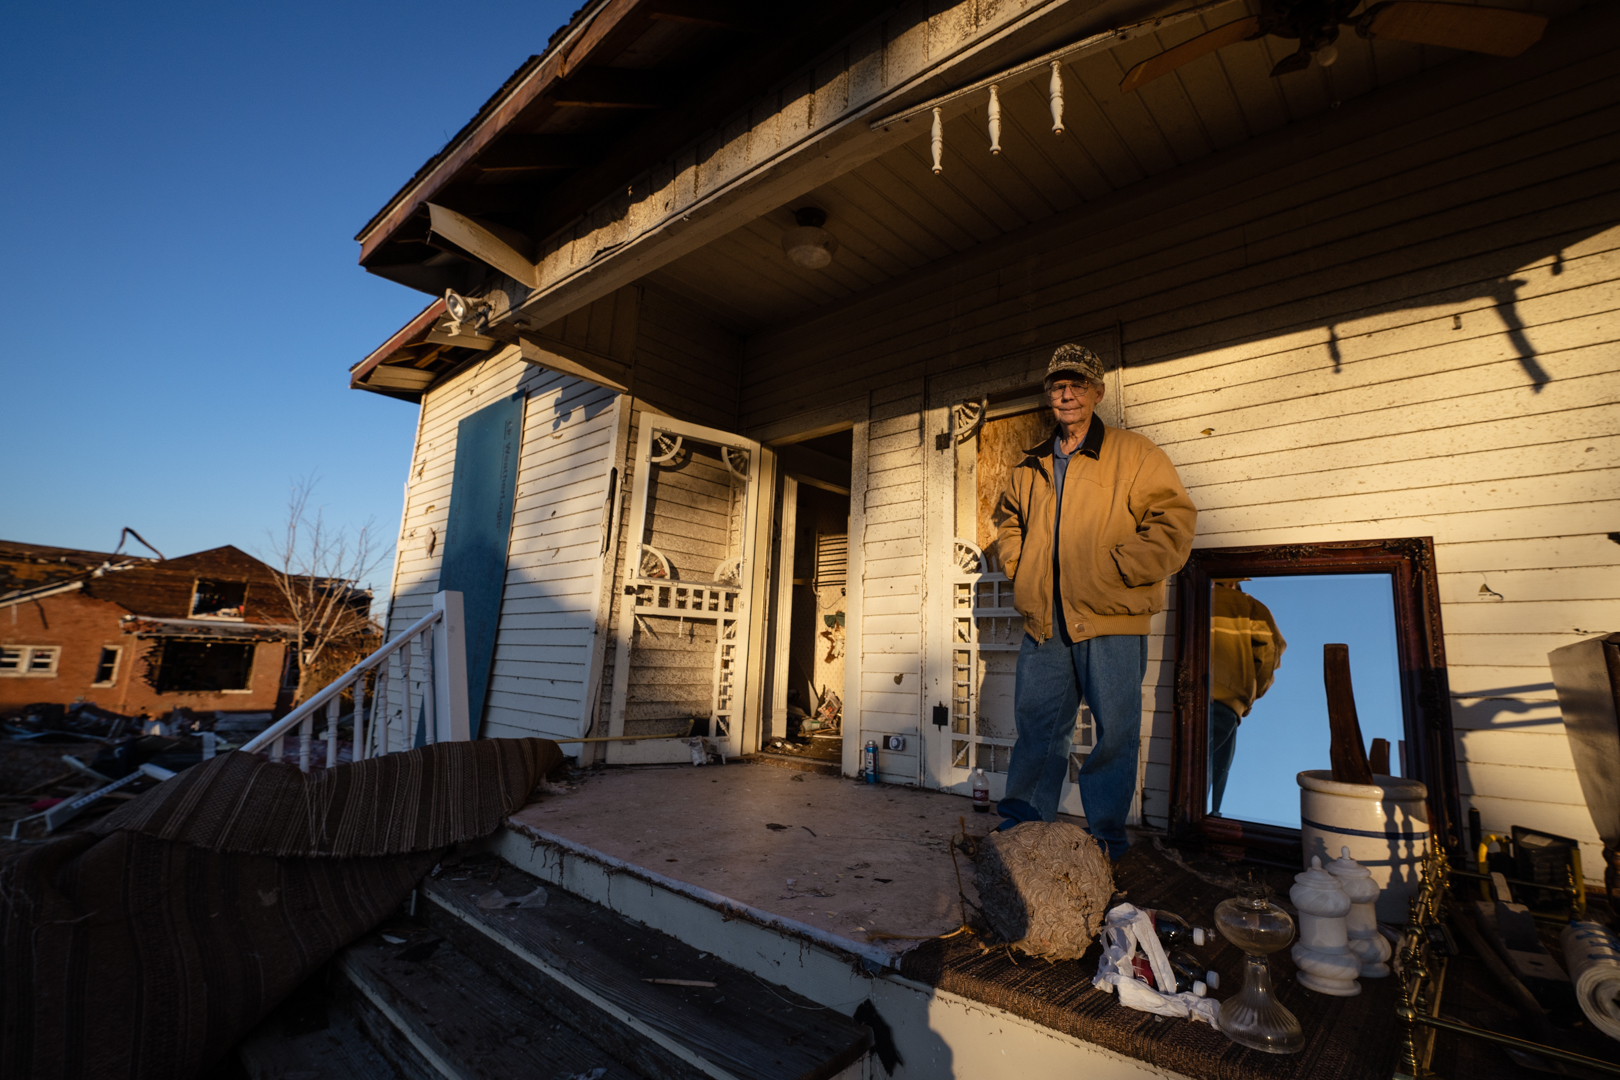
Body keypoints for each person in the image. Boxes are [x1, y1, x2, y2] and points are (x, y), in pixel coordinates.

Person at [990, 344, 1196, 858]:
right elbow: (1008, 523)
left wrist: (1118, 569)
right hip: (1046, 623)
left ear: (1097, 393)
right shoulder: (1029, 465)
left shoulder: (1136, 454)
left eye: (1078, 384)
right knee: (1039, 728)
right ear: (1049, 395)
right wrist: (1021, 567)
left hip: (1112, 619)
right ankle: (1022, 829)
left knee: (1116, 733)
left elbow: (1174, 524)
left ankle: (1105, 836)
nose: (1067, 393)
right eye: (1059, 385)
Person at [1208, 578, 1287, 814]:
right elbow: (1269, 656)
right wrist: (1250, 696)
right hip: (1227, 702)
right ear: (1234, 582)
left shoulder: (1191, 597)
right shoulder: (1251, 607)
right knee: (1214, 773)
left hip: (1184, 697)